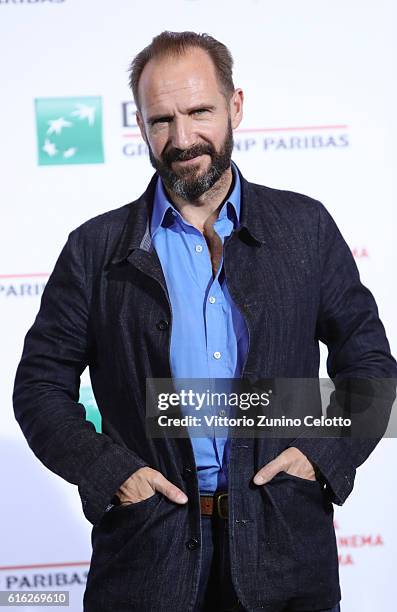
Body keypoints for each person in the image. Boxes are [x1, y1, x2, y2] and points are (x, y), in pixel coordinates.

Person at [13, 30, 396, 612]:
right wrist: (110, 470)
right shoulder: (94, 249)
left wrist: (323, 453)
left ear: (235, 107)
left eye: (199, 112)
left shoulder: (306, 228)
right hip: (146, 559)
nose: (183, 137)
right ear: (140, 125)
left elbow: (369, 366)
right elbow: (39, 387)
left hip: (286, 555)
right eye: (162, 119)